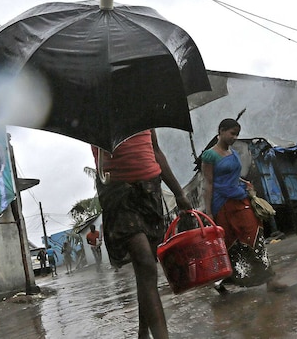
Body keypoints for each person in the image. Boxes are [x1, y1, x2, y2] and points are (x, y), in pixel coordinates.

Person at [91, 129, 192, 339]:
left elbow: (156, 150)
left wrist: (179, 193)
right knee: (145, 263)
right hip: (119, 195)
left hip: (150, 192)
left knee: (145, 270)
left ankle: (143, 330)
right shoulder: (97, 117)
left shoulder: (142, 112)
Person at [201, 118, 277, 294]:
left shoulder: (233, 153)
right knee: (229, 245)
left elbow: (233, 176)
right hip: (222, 205)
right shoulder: (210, 155)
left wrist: (245, 183)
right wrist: (209, 214)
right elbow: (208, 184)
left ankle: (270, 279)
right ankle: (221, 281)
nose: (234, 137)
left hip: (240, 200)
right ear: (220, 131)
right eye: (232, 133)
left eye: (237, 134)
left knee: (255, 237)